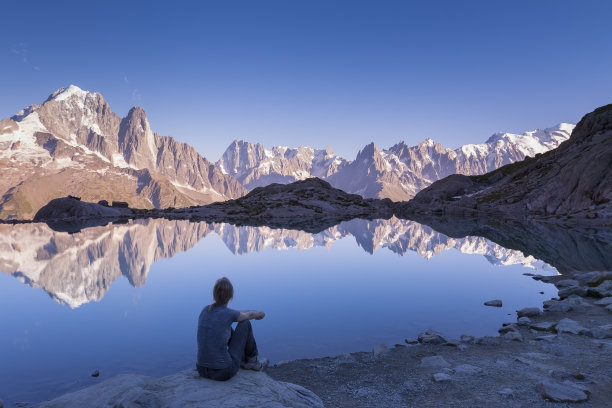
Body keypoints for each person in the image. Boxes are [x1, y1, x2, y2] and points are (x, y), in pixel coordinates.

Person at [196, 277, 267, 381]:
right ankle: (252, 362)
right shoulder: (228, 314)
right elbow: (248, 315)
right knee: (245, 323)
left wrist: (253, 312)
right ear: (231, 296)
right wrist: (260, 313)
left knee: (223, 326)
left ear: (214, 294)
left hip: (201, 370)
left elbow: (238, 313)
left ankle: (243, 360)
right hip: (223, 371)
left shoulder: (205, 310)